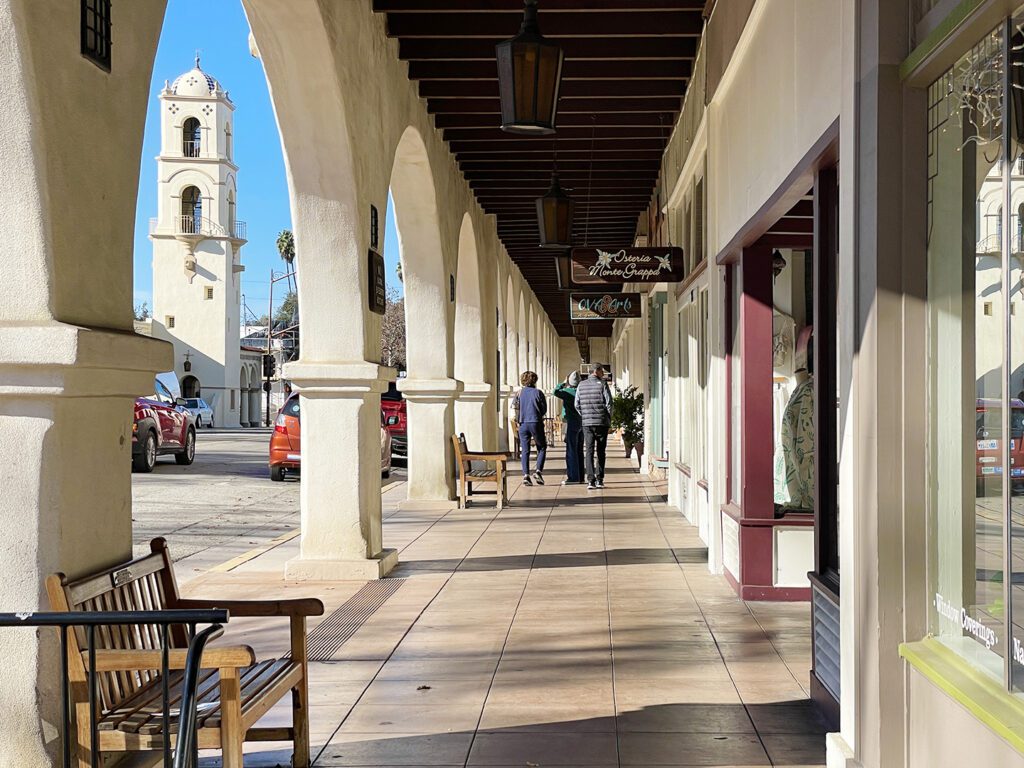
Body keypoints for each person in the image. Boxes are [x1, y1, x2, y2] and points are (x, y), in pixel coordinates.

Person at [575, 363, 612, 490]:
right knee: (601, 451)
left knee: (589, 451)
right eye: (602, 371)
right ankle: (599, 479)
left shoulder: (581, 385)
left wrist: (585, 416)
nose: (603, 373)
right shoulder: (603, 384)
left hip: (587, 424)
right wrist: (608, 418)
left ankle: (590, 480)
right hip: (601, 423)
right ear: (596, 371)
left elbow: (577, 404)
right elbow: (609, 404)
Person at [515, 371, 547, 485]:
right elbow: (544, 410)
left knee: (525, 450)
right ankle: (538, 471)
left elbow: (516, 408)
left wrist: (518, 420)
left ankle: (526, 475)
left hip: (523, 423)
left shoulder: (519, 393)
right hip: (535, 422)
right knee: (542, 447)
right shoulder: (538, 393)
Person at [553, 371, 584, 484]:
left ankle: (573, 477)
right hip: (582, 422)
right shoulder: (582, 391)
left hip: (571, 422)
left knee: (571, 450)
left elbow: (555, 391)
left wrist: (562, 383)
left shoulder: (567, 392)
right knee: (579, 450)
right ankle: (580, 476)